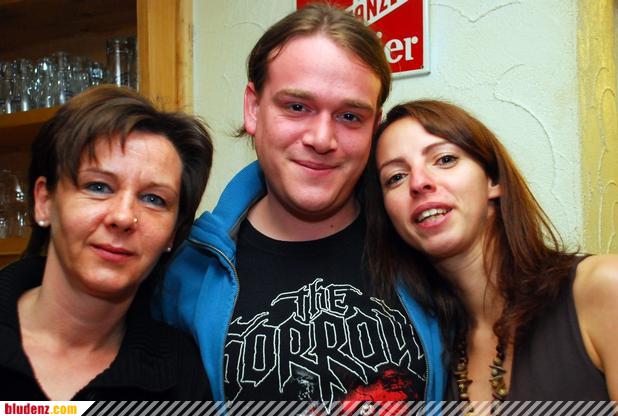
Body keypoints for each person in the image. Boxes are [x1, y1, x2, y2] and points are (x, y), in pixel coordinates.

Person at [156, 3, 446, 406]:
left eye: (350, 116)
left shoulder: (425, 248)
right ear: (254, 108)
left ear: (375, 128)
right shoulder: (188, 272)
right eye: (297, 107)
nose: (322, 139)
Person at [366, 99, 618, 406]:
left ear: (493, 179)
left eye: (445, 159)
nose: (419, 183)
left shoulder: (604, 287)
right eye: (395, 177)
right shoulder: (431, 352)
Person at [0, 85, 214, 400]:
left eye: (154, 199)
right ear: (44, 202)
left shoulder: (182, 377)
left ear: (173, 232)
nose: (123, 217)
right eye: (98, 186)